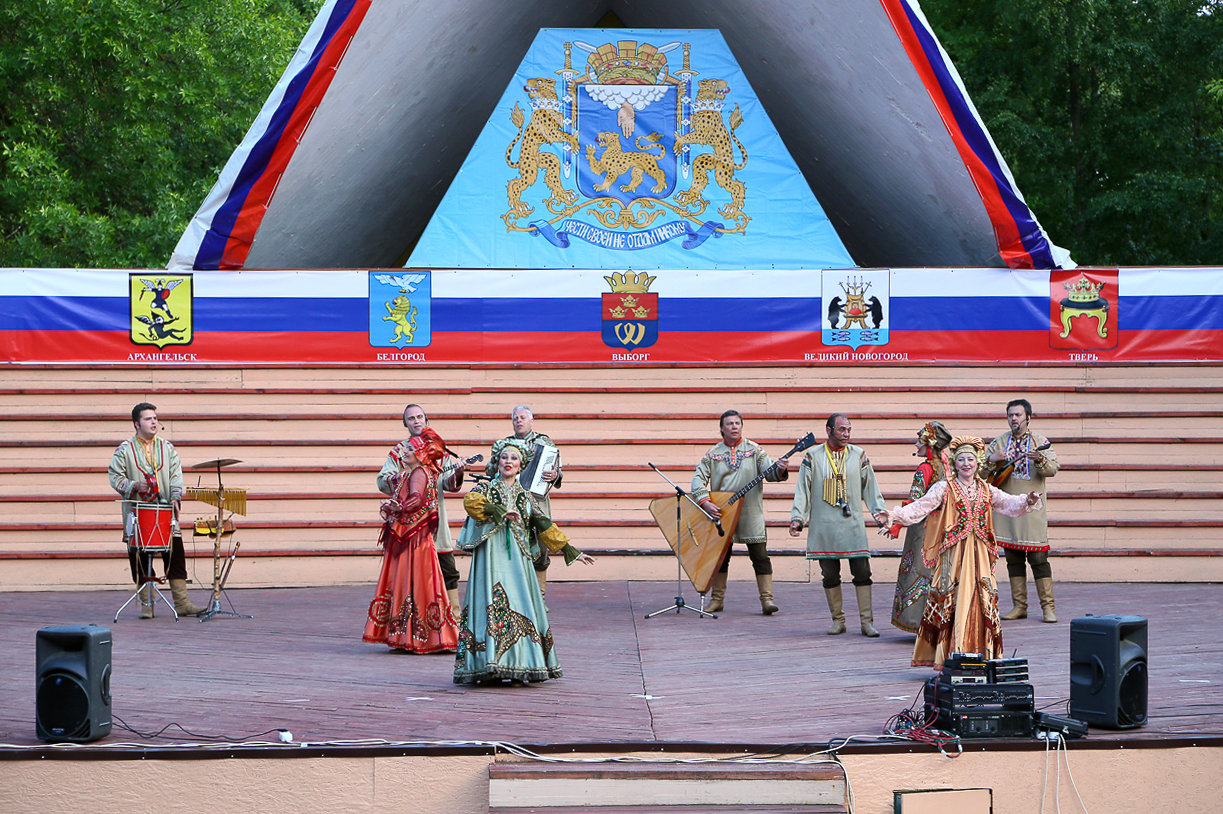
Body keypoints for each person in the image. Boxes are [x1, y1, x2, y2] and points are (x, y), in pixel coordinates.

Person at [882, 437, 1042, 668]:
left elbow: (1009, 503)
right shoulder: (944, 487)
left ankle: (981, 654)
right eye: (961, 460)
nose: (966, 464)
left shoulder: (986, 489)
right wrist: (895, 516)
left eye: (970, 459)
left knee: (982, 598)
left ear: (977, 462)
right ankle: (950, 654)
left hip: (980, 554)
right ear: (954, 463)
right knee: (952, 598)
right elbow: (921, 506)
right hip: (954, 555)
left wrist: (1027, 500)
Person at [454, 439, 593, 685]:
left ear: (520, 466)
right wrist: (498, 510)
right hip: (490, 557)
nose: (508, 462)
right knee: (488, 602)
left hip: (518, 560)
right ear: (497, 462)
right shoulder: (486, 488)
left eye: (514, 459)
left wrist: (570, 550)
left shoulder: (526, 496)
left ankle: (520, 665)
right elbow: (471, 502)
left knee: (520, 605)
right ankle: (489, 667)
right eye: (504, 457)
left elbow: (544, 524)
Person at [789, 414, 888, 636]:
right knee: (830, 575)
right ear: (829, 430)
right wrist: (798, 518)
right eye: (842, 429)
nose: (846, 434)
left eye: (849, 430)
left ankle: (867, 623)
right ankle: (838, 621)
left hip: (852, 523)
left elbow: (870, 486)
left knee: (862, 572)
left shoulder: (858, 454)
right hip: (824, 525)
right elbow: (803, 490)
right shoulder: (813, 456)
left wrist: (879, 511)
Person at [364, 427, 459, 653]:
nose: (404, 452)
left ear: (419, 454)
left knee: (413, 581)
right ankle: (413, 635)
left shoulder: (419, 473)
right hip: (413, 537)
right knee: (414, 582)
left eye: (408, 450)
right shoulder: (414, 472)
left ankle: (417, 636)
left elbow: (417, 498)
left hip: (415, 539)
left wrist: (400, 507)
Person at [108, 402, 206, 619]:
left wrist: (176, 498)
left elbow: (176, 476)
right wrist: (135, 485)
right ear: (136, 424)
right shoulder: (124, 450)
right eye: (148, 419)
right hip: (137, 513)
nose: (154, 422)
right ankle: (147, 604)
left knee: (176, 554)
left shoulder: (168, 448)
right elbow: (115, 477)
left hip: (165, 512)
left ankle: (182, 603)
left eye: (155, 418)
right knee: (139, 557)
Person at [691, 410, 790, 614]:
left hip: (750, 512)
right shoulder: (713, 454)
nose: (734, 426)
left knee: (760, 556)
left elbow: (770, 472)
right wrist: (706, 503)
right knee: (720, 558)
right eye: (729, 424)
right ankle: (717, 600)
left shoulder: (754, 450)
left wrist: (780, 469)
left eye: (737, 423)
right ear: (722, 428)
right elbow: (698, 479)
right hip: (722, 513)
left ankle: (767, 600)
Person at [378, 404, 465, 614]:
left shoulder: (439, 450)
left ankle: (453, 618)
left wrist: (458, 473)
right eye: (411, 418)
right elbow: (382, 481)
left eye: (419, 417)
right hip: (409, 525)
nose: (416, 421)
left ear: (426, 420)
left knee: (447, 570)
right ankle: (410, 622)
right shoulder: (399, 452)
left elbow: (448, 483)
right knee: (410, 573)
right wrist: (409, 476)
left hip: (435, 520)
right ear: (405, 424)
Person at [985, 398, 1060, 622]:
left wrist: (1039, 460)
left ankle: (1048, 608)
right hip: (1008, 511)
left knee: (1039, 559)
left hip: (1033, 510)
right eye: (1010, 415)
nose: (1014, 419)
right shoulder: (999, 442)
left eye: (1018, 415)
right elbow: (978, 473)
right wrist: (992, 459)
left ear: (1028, 418)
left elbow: (1053, 469)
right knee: (1013, 559)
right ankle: (1019, 606)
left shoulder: (1041, 442)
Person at [489, 406, 562, 601]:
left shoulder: (544, 442)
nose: (518, 421)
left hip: (537, 500)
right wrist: (497, 465)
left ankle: (540, 599)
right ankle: (515, 598)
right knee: (514, 545)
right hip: (511, 499)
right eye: (515, 418)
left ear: (531, 421)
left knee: (541, 544)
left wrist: (554, 475)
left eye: (522, 417)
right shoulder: (505, 445)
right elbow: (490, 470)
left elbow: (558, 470)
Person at [886, 420, 952, 633]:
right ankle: (938, 621)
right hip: (942, 526)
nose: (916, 445)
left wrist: (897, 523)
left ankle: (917, 622)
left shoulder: (925, 468)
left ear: (929, 444)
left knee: (917, 569)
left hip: (922, 527)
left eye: (919, 441)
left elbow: (914, 500)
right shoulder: (948, 466)